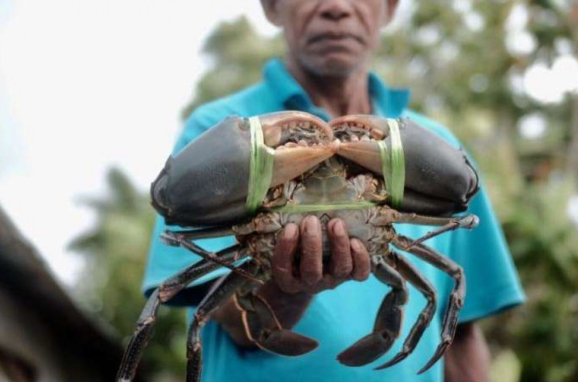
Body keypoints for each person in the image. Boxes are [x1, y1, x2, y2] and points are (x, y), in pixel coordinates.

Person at [142, 1, 525, 381]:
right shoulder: (214, 136)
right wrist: (286, 288)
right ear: (272, 7)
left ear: (390, 8)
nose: (337, 7)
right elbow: (217, 316)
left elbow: (460, 329)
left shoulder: (438, 155)